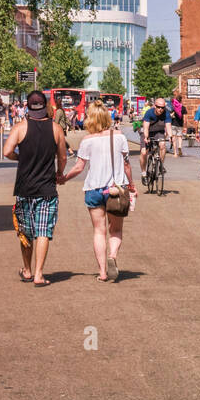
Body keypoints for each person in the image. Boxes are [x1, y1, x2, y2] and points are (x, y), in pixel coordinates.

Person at [59, 99, 134, 282]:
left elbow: (79, 167)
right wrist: (131, 186)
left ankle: (102, 272)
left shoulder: (87, 140)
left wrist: (63, 178)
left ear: (90, 119)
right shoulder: (119, 137)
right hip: (116, 189)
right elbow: (126, 165)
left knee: (99, 231)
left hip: (93, 189)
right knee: (115, 229)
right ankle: (113, 257)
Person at [3, 89, 67, 286]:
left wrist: (20, 157)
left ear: (28, 107)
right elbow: (62, 157)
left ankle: (28, 270)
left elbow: (7, 151)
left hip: (24, 188)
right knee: (43, 231)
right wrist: (59, 173)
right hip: (47, 188)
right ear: (46, 106)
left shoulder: (20, 128)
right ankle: (39, 274)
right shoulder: (56, 129)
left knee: (26, 231)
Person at [139, 96, 169, 180]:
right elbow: (145, 127)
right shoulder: (149, 112)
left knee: (162, 145)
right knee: (144, 152)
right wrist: (146, 137)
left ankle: (161, 165)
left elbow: (168, 126)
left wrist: (170, 136)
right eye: (158, 107)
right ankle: (144, 173)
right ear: (155, 106)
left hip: (158, 132)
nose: (160, 109)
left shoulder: (166, 113)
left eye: (162, 107)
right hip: (147, 131)